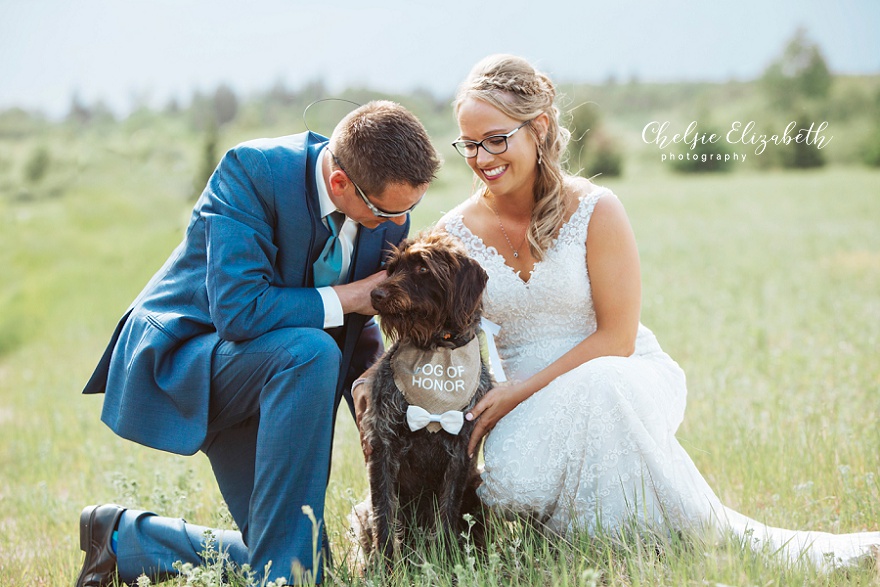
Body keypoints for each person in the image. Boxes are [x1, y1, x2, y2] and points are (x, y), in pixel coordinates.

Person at [435, 54, 879, 568]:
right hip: (527, 406)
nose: (480, 157)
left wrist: (514, 393)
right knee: (516, 477)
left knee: (604, 390)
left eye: (495, 139)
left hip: (623, 373)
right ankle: (621, 552)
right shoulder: (455, 233)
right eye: (468, 143)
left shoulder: (596, 209)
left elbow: (617, 340)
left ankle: (659, 552)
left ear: (538, 128)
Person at [76, 100, 441, 586]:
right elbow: (239, 310)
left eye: (409, 211)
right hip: (194, 359)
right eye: (385, 212)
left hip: (282, 377)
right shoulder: (251, 171)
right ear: (340, 183)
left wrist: (380, 416)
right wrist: (348, 296)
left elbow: (355, 327)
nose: (397, 225)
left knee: (298, 561)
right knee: (312, 353)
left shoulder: (387, 214)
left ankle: (123, 538)